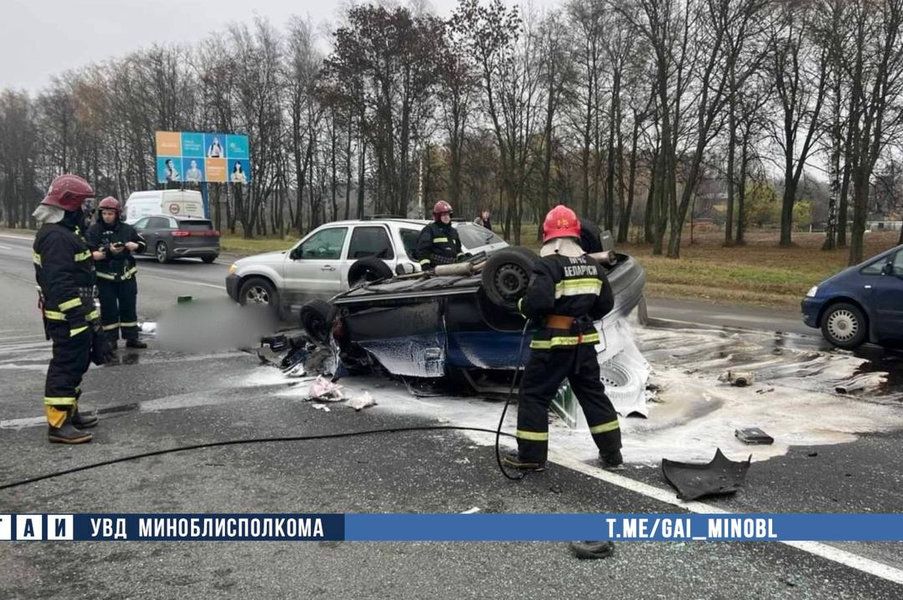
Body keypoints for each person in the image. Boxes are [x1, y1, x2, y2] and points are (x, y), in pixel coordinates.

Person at [504, 204, 623, 471]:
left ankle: (532, 457)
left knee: (534, 395)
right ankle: (613, 454)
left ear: (548, 236)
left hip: (553, 346)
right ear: (575, 235)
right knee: (593, 395)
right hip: (584, 346)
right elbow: (605, 304)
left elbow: (538, 303)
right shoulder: (593, 265)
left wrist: (522, 306)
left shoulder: (548, 265)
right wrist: (581, 316)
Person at [32, 174, 110, 444]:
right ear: (68, 204)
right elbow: (60, 283)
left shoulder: (65, 233)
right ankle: (58, 423)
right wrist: (76, 318)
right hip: (67, 316)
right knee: (65, 366)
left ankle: (70, 411)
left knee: (77, 363)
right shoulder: (55, 237)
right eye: (82, 204)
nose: (86, 211)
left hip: (78, 313)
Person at [87, 197, 148, 350]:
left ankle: (132, 337)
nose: (107, 216)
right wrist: (109, 252)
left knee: (129, 306)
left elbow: (142, 244)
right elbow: (91, 254)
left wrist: (136, 246)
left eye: (110, 213)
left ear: (117, 214)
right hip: (105, 277)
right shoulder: (94, 231)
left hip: (126, 275)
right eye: (105, 213)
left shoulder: (127, 229)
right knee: (109, 309)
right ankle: (110, 339)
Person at [415, 200, 462, 270]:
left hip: (453, 268)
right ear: (437, 216)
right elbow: (423, 250)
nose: (446, 217)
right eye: (443, 215)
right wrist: (426, 266)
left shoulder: (453, 231)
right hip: (437, 270)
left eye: (448, 214)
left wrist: (462, 257)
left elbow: (458, 250)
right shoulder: (430, 230)